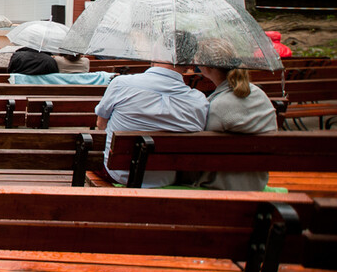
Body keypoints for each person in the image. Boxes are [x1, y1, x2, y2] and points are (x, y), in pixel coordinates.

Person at [94, 31, 209, 187]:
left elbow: (101, 125)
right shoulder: (198, 101)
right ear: (190, 63)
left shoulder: (122, 84)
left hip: (118, 175)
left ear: (155, 52)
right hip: (166, 178)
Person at [190, 39, 278, 191]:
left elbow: (201, 150)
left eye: (198, 63)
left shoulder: (218, 106)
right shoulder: (260, 95)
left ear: (207, 67)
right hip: (257, 181)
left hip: (222, 184)